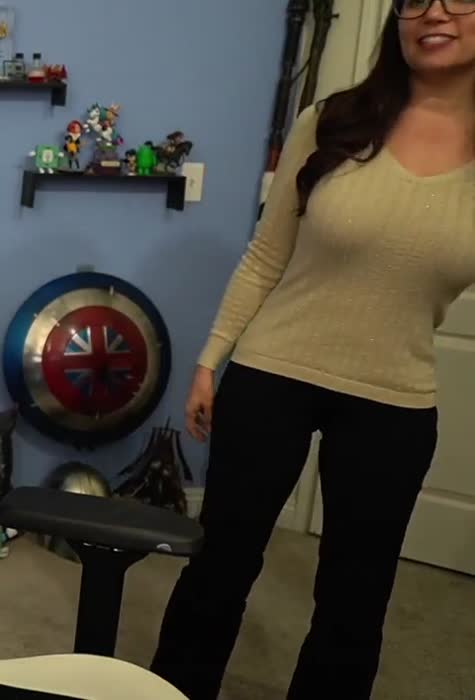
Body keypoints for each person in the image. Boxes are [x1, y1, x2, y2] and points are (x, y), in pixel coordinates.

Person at [151, 1, 475, 698]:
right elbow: (265, 256)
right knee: (220, 567)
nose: (435, 12)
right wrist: (210, 360)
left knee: (355, 601)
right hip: (274, 371)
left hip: (395, 397)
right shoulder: (333, 122)